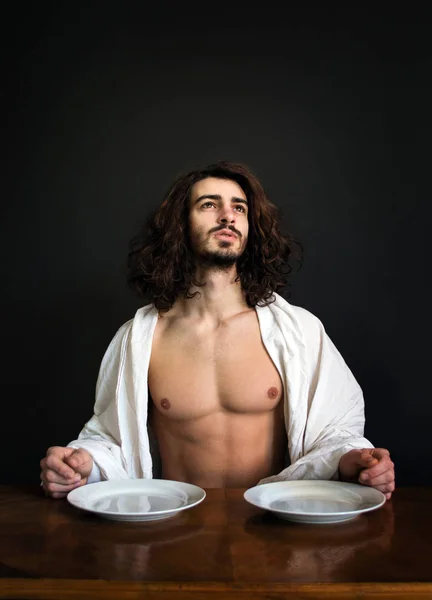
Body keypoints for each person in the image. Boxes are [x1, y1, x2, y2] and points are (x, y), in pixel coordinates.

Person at [40, 161, 395, 500]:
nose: (227, 215)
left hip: (271, 527)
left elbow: (335, 433)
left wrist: (356, 462)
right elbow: (113, 439)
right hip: (178, 527)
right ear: (181, 223)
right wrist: (82, 465)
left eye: (239, 208)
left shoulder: (300, 332)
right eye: (209, 205)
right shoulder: (141, 338)